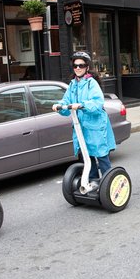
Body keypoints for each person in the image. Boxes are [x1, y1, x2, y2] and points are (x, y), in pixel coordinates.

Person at [53, 51, 116, 184]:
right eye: (75, 66)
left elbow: (97, 103)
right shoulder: (72, 85)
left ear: (87, 67)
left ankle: (109, 184)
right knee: (87, 157)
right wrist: (59, 106)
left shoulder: (91, 83)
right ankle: (93, 182)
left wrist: (81, 105)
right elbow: (66, 101)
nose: (78, 68)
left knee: (101, 156)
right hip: (81, 128)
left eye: (81, 65)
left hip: (95, 126)